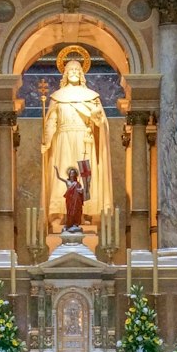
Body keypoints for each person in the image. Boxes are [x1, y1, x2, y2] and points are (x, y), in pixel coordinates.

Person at [42, 54, 113, 227]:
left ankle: (85, 212)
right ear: (65, 74)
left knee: (84, 175)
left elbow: (101, 122)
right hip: (63, 141)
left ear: (82, 74)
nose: (73, 72)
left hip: (84, 140)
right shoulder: (57, 97)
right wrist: (47, 140)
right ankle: (61, 213)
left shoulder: (91, 96)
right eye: (70, 69)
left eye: (76, 69)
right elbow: (52, 121)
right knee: (64, 173)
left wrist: (97, 119)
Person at [56, 165, 86, 232]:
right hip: (69, 200)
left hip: (76, 201)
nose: (72, 174)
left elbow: (81, 191)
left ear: (75, 174)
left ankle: (75, 223)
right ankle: (69, 224)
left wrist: (81, 191)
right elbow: (58, 177)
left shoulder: (77, 183)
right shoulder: (67, 182)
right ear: (69, 174)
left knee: (76, 211)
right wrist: (56, 170)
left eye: (73, 173)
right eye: (71, 173)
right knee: (69, 212)